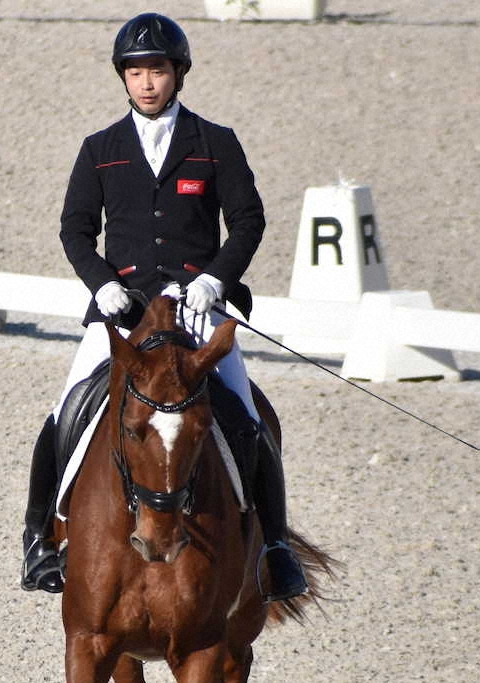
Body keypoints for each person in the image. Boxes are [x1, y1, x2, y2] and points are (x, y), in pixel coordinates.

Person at [21, 11, 307, 602]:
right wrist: (102, 285)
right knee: (65, 413)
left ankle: (276, 549)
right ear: (122, 77)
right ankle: (39, 542)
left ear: (178, 74)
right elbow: (76, 230)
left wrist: (214, 279)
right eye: (136, 72)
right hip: (123, 313)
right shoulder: (99, 149)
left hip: (197, 313)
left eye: (156, 70)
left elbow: (248, 221)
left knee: (248, 420)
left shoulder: (215, 142)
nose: (146, 82)